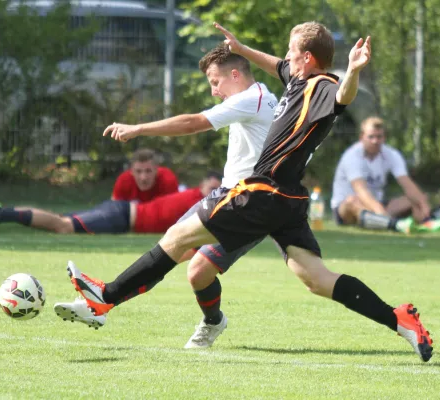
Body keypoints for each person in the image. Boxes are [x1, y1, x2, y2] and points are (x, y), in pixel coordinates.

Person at [56, 22, 434, 363]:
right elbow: (276, 65)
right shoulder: (296, 80)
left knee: (177, 237)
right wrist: (242, 46)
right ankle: (398, 319)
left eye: (291, 51)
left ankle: (104, 299)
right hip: (287, 200)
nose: (285, 57)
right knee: (317, 278)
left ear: (307, 57)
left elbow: (343, 98)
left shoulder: (323, 85)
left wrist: (350, 70)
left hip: (261, 191)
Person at [54, 42, 278, 344]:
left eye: (215, 82)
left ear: (235, 74)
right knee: (196, 269)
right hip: (239, 199)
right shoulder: (261, 97)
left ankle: (103, 298)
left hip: (244, 201)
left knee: (175, 241)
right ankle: (210, 322)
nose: (214, 91)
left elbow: (192, 123)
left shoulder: (252, 99)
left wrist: (137, 129)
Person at [0, 172, 222, 234]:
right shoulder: (198, 198)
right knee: (63, 225)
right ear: (203, 184)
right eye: (213, 185)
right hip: (121, 216)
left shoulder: (199, 198)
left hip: (120, 213)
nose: (216, 190)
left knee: (58, 218)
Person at [331, 116, 440, 233]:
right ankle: (392, 224)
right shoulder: (352, 156)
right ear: (362, 137)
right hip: (348, 208)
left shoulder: (391, 154)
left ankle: (427, 221)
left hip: (378, 206)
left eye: (379, 137)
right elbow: (361, 191)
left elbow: (407, 183)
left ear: (384, 137)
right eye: (371, 137)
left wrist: (423, 204)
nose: (375, 141)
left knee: (414, 199)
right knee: (352, 201)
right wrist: (380, 213)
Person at [112, 148, 179, 202]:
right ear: (131, 171)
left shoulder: (167, 180)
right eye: (138, 171)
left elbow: (175, 212)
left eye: (148, 171)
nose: (143, 178)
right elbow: (114, 211)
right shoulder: (123, 181)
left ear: (156, 170)